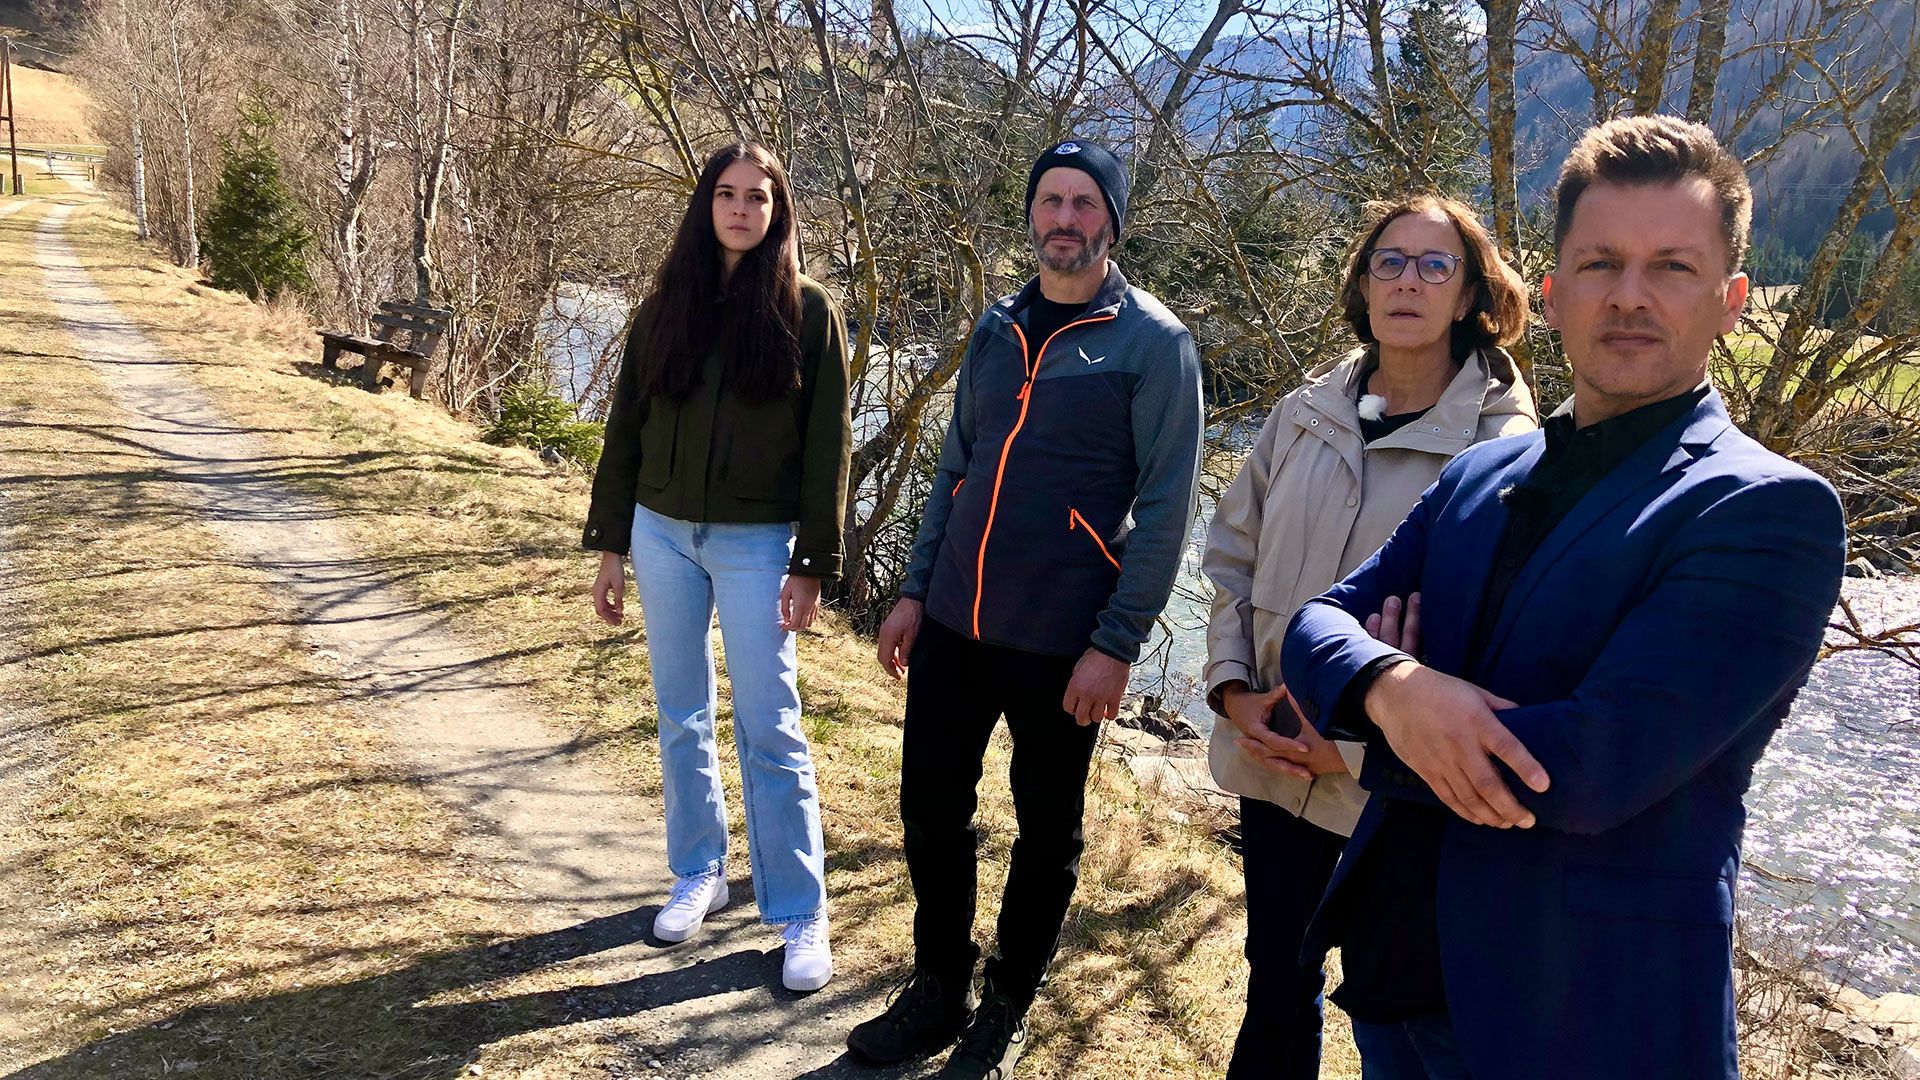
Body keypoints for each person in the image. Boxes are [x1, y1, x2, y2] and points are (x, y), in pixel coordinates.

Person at [1279, 115, 1849, 1079]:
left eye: (1671, 266)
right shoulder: (1478, 474)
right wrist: (1394, 685)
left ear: (1732, 300)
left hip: (1581, 1019)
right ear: (1549, 293)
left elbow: (1587, 771)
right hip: (1392, 981)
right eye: (1599, 264)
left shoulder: (1767, 511)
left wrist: (1381, 724)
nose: (1629, 297)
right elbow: (1315, 625)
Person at [845, 139, 1203, 1080]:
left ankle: (1005, 1006)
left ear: (1113, 224)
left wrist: (1116, 645)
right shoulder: (996, 327)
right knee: (930, 809)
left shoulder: (1153, 346)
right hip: (956, 625)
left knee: (1047, 832)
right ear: (1033, 215)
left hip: (1063, 642)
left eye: (1086, 203)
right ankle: (936, 987)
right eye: (1052, 200)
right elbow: (953, 468)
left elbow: (1168, 509)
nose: (1066, 219)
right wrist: (915, 588)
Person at [1202, 194, 1537, 1079]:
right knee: (1275, 981)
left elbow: (1492, 649)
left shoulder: (1506, 451)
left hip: (1395, 798)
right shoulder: (1303, 413)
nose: (1409, 283)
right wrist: (1234, 693)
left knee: (1395, 1018)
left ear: (1470, 296)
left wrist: (1348, 752)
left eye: (1436, 266)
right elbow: (1232, 557)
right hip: (1271, 758)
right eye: (1389, 261)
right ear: (1360, 281)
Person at [581, 142, 851, 994]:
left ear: (778, 212)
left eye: (757, 199)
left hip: (756, 542)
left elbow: (825, 449)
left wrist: (810, 561)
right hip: (661, 533)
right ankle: (700, 870)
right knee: (681, 714)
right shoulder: (666, 305)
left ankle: (801, 911)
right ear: (706, 206)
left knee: (770, 724)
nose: (740, 210)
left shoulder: (808, 311)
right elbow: (626, 426)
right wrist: (612, 544)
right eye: (726, 195)